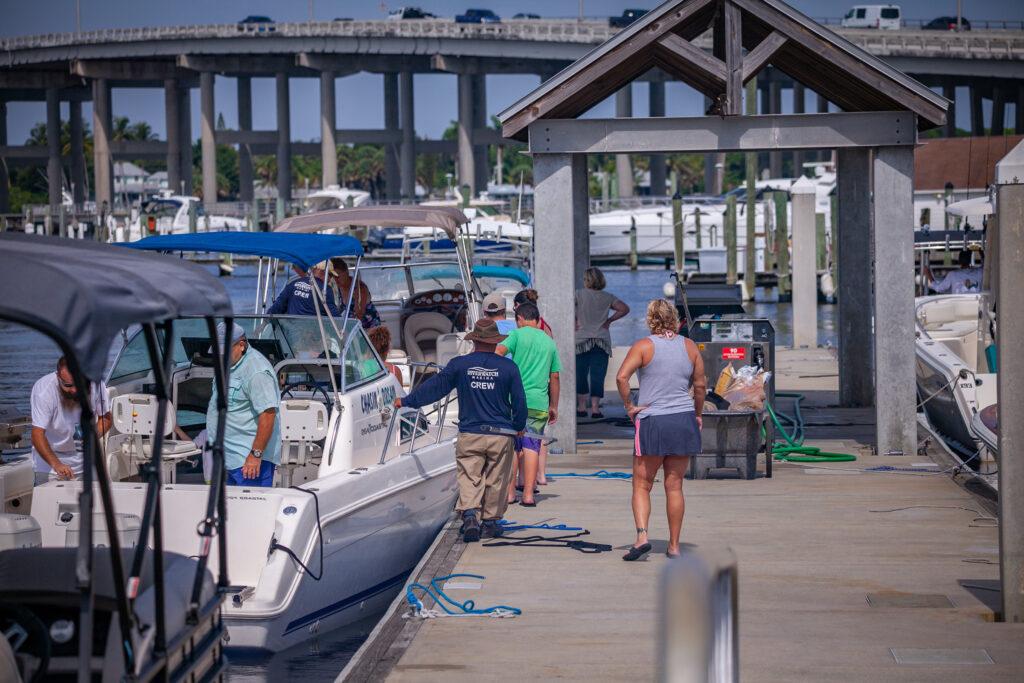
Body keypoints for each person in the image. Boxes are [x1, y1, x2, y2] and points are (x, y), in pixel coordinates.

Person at [395, 318, 527, 542]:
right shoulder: (508, 367)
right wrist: (519, 426)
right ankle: (491, 522)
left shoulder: (459, 365)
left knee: (469, 476)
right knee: (497, 479)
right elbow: (520, 402)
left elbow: (434, 388)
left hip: (471, 433)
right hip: (501, 434)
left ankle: (469, 516)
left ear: (474, 340)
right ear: (496, 342)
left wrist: (407, 401)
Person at [615, 300, 705, 561]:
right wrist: (697, 415)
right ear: (674, 319)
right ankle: (674, 546)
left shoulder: (644, 346)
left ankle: (642, 536)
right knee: (674, 486)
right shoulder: (689, 346)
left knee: (642, 484)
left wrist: (629, 405)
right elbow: (700, 386)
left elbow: (622, 377)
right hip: (683, 419)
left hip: (653, 420)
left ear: (651, 319)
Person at [496, 301, 559, 507]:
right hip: (539, 402)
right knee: (532, 446)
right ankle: (529, 495)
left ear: (520, 319)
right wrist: (554, 405)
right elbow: (555, 376)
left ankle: (510, 493)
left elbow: (498, 354)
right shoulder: (549, 342)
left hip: (514, 401)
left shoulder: (516, 335)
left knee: (514, 447)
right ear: (538, 320)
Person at [206, 322, 281, 487]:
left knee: (252, 511)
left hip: (248, 462)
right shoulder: (229, 364)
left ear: (241, 345)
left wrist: (255, 455)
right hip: (228, 458)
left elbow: (268, 415)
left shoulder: (257, 372)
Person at [30, 356, 112, 484]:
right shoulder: (43, 391)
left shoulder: (96, 384)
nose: (74, 390)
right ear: (58, 377)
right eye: (68, 385)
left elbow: (106, 418)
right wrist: (57, 465)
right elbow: (37, 434)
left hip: (87, 462)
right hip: (50, 466)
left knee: (98, 502)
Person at [575, 266, 629, 419]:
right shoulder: (607, 297)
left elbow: (566, 308)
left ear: (586, 280)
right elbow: (624, 309)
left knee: (581, 375)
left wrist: (574, 321)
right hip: (601, 340)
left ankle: (581, 408)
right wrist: (610, 320)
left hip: (581, 340)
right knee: (598, 376)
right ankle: (595, 409)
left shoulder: (578, 294)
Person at [267, 263, 341, 317]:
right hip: (313, 335)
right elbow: (334, 317)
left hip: (290, 335)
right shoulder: (326, 289)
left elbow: (275, 309)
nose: (330, 279)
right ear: (323, 272)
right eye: (330, 275)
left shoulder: (293, 283)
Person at [331, 257, 382, 329]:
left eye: (337, 276)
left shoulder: (359, 288)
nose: (335, 279)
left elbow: (359, 315)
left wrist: (344, 330)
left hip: (368, 328)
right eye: (333, 276)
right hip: (350, 326)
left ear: (346, 272)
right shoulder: (338, 288)